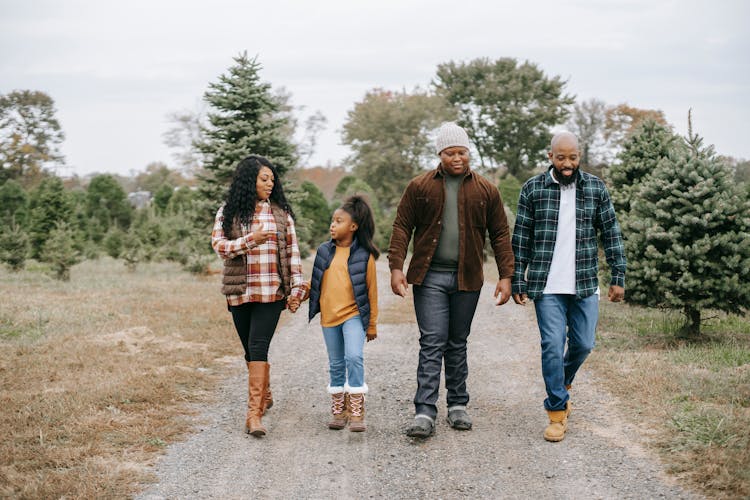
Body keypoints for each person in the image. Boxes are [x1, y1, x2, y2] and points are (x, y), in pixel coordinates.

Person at [388, 122, 514, 438]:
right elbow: (402, 226)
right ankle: (424, 412)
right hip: (429, 277)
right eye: (449, 153)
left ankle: (458, 405)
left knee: (457, 342)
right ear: (440, 154)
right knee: (432, 341)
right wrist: (396, 267)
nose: (456, 158)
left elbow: (500, 233)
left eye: (461, 152)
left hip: (467, 278)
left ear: (468, 152)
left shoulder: (486, 190)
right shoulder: (420, 186)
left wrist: (506, 275)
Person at [511, 131, 626, 442]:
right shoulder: (533, 188)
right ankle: (557, 412)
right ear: (551, 157)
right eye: (560, 157)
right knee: (551, 345)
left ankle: (562, 382)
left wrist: (618, 275)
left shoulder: (595, 188)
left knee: (584, 344)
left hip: (585, 282)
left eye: (572, 157)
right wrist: (515, 276)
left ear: (579, 157)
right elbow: (521, 238)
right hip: (546, 285)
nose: (567, 163)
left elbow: (611, 233)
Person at [211, 154, 308, 437]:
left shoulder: (280, 215)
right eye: (264, 179)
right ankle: (264, 394)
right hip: (239, 292)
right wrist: (250, 240)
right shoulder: (228, 212)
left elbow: (293, 254)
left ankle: (253, 415)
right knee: (249, 350)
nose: (270, 184)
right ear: (248, 180)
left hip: (270, 292)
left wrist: (297, 290)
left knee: (258, 346)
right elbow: (220, 246)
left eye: (272, 180)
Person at [308, 195, 379, 432]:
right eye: (332, 220)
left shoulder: (364, 256)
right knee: (336, 363)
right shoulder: (323, 252)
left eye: (338, 221)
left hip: (353, 316)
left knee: (354, 357)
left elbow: (371, 292)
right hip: (329, 317)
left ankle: (357, 408)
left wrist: (372, 325)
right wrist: (300, 294)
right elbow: (316, 282)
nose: (332, 225)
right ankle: (339, 408)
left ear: (353, 226)